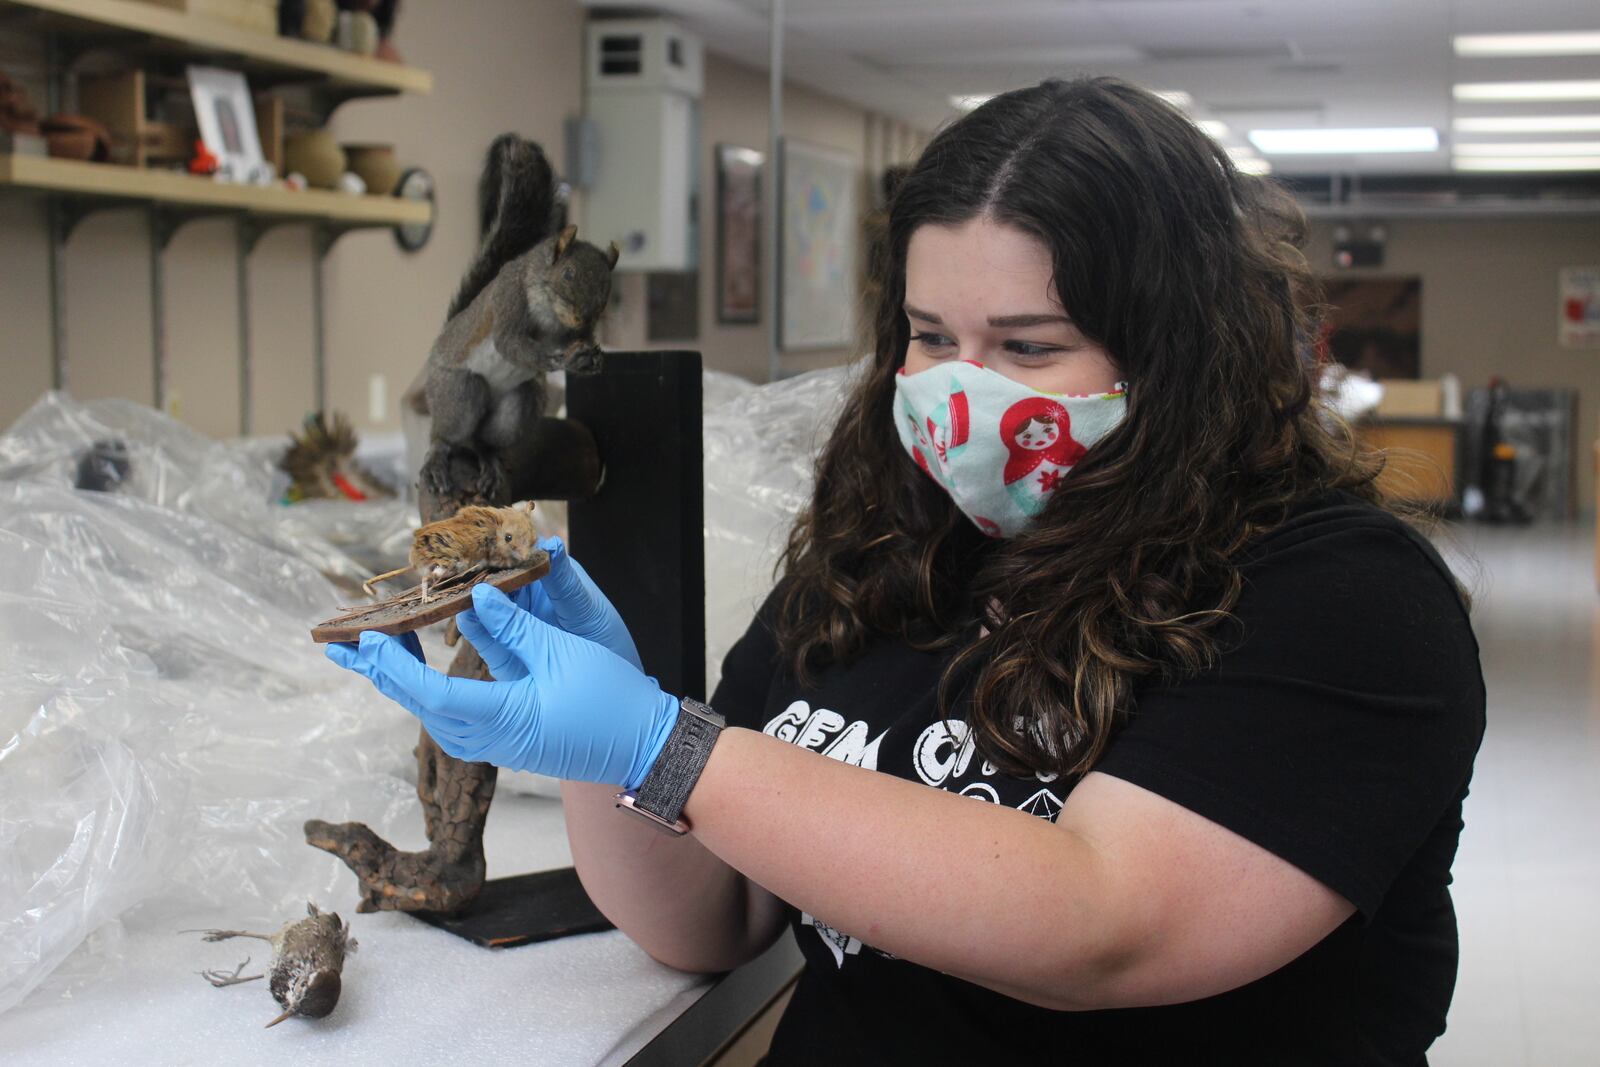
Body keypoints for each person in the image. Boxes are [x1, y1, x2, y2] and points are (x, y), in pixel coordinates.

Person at [328, 77, 1485, 1065]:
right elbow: (713, 915)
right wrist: (599, 748)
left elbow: (1101, 922)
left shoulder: (1336, 595)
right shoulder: (891, 548)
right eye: (932, 336)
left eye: (1028, 344)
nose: (963, 386)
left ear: (1184, 350)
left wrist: (667, 746)